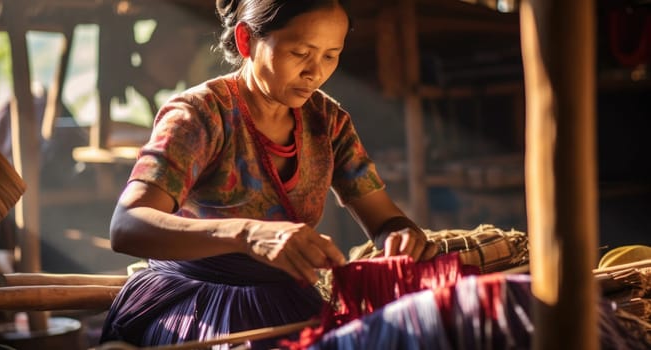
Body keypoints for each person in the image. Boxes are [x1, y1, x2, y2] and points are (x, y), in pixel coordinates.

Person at [100, 0, 439, 348]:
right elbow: (127, 226)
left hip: (286, 300)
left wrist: (400, 236)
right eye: (300, 52)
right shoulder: (199, 116)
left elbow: (385, 220)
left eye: (330, 55)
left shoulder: (329, 122)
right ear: (246, 41)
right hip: (195, 303)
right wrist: (246, 234)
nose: (315, 72)